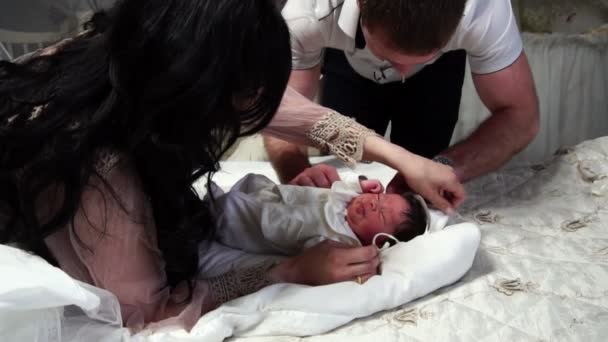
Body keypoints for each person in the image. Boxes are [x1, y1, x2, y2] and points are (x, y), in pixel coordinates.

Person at [0, 0, 464, 331]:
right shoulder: (100, 170)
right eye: (242, 104)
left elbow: (303, 117)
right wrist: (288, 271)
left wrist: (404, 160)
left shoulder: (161, 45)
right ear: (198, 95)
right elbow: (147, 310)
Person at [264, 0, 540, 193]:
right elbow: (279, 111)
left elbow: (522, 118)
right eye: (388, 55)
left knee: (424, 174)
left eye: (427, 54)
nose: (404, 72)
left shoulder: (485, 9)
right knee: (344, 167)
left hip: (437, 78)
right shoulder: (306, 13)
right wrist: (297, 171)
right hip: (345, 65)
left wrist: (443, 169)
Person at [208, 173, 428, 255]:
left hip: (273, 225)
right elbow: (339, 188)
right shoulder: (350, 202)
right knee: (254, 180)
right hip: (281, 197)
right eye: (379, 199)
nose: (372, 205)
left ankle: (210, 214)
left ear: (380, 242)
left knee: (233, 208)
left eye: (381, 215)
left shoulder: (345, 242)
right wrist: (361, 185)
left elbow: (323, 257)